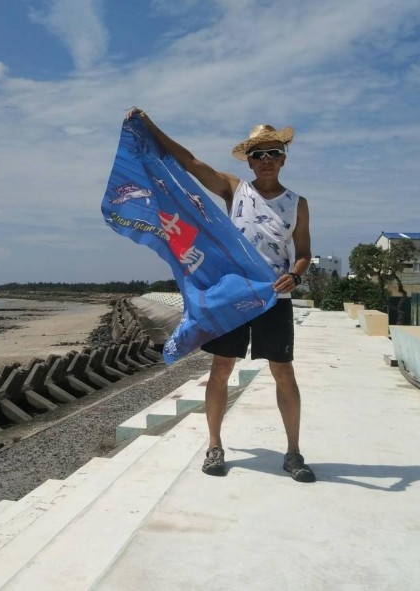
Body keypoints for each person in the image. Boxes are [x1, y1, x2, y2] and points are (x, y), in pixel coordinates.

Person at [125, 108, 316, 483]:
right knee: (221, 369)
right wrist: (149, 126)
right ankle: (214, 446)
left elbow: (304, 250)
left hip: (275, 297)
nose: (266, 160)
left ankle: (293, 453)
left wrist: (296, 274)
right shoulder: (234, 189)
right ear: (249, 160)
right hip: (234, 297)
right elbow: (191, 162)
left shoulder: (297, 203)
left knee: (283, 372)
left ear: (283, 158)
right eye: (258, 154)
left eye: (273, 153)